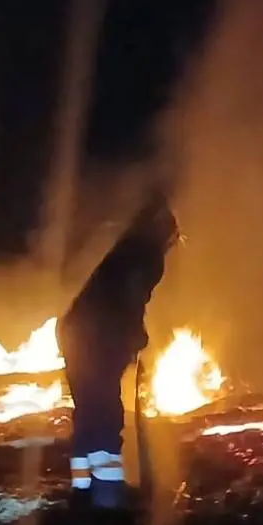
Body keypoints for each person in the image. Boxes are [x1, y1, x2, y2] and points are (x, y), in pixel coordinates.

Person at [56, 186, 181, 508]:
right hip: (97, 339)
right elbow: (131, 297)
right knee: (106, 416)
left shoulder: (125, 248)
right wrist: (136, 334)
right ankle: (108, 496)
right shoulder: (147, 255)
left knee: (87, 414)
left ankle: (83, 489)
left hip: (74, 332)